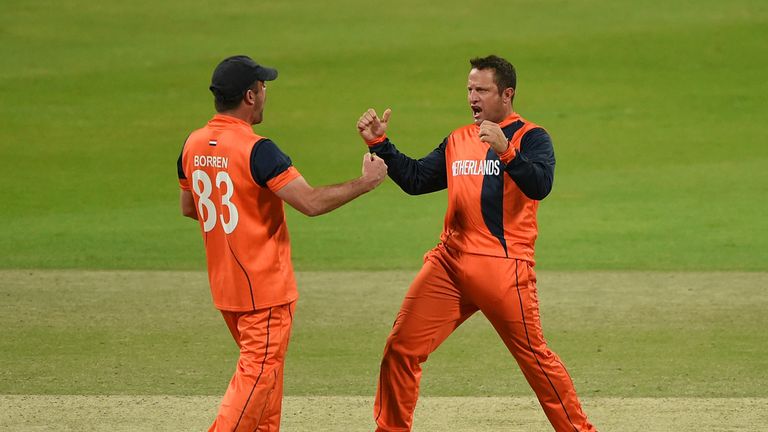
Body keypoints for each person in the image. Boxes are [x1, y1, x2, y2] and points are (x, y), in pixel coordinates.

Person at [357, 55, 596, 432]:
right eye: (469, 89)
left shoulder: (532, 137)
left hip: (502, 270)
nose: (472, 97)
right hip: (448, 266)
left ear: (507, 94)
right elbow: (418, 179)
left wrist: (507, 150)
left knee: (535, 361)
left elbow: (540, 186)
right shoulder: (458, 139)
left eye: (481, 90)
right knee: (400, 348)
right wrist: (380, 143)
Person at [177, 55, 387, 432]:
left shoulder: (191, 145)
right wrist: (365, 182)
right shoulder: (258, 150)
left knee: (266, 392)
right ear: (250, 96)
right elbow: (310, 202)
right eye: (262, 87)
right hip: (265, 294)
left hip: (227, 291)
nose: (265, 93)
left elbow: (190, 207)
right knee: (256, 382)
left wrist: (238, 214)